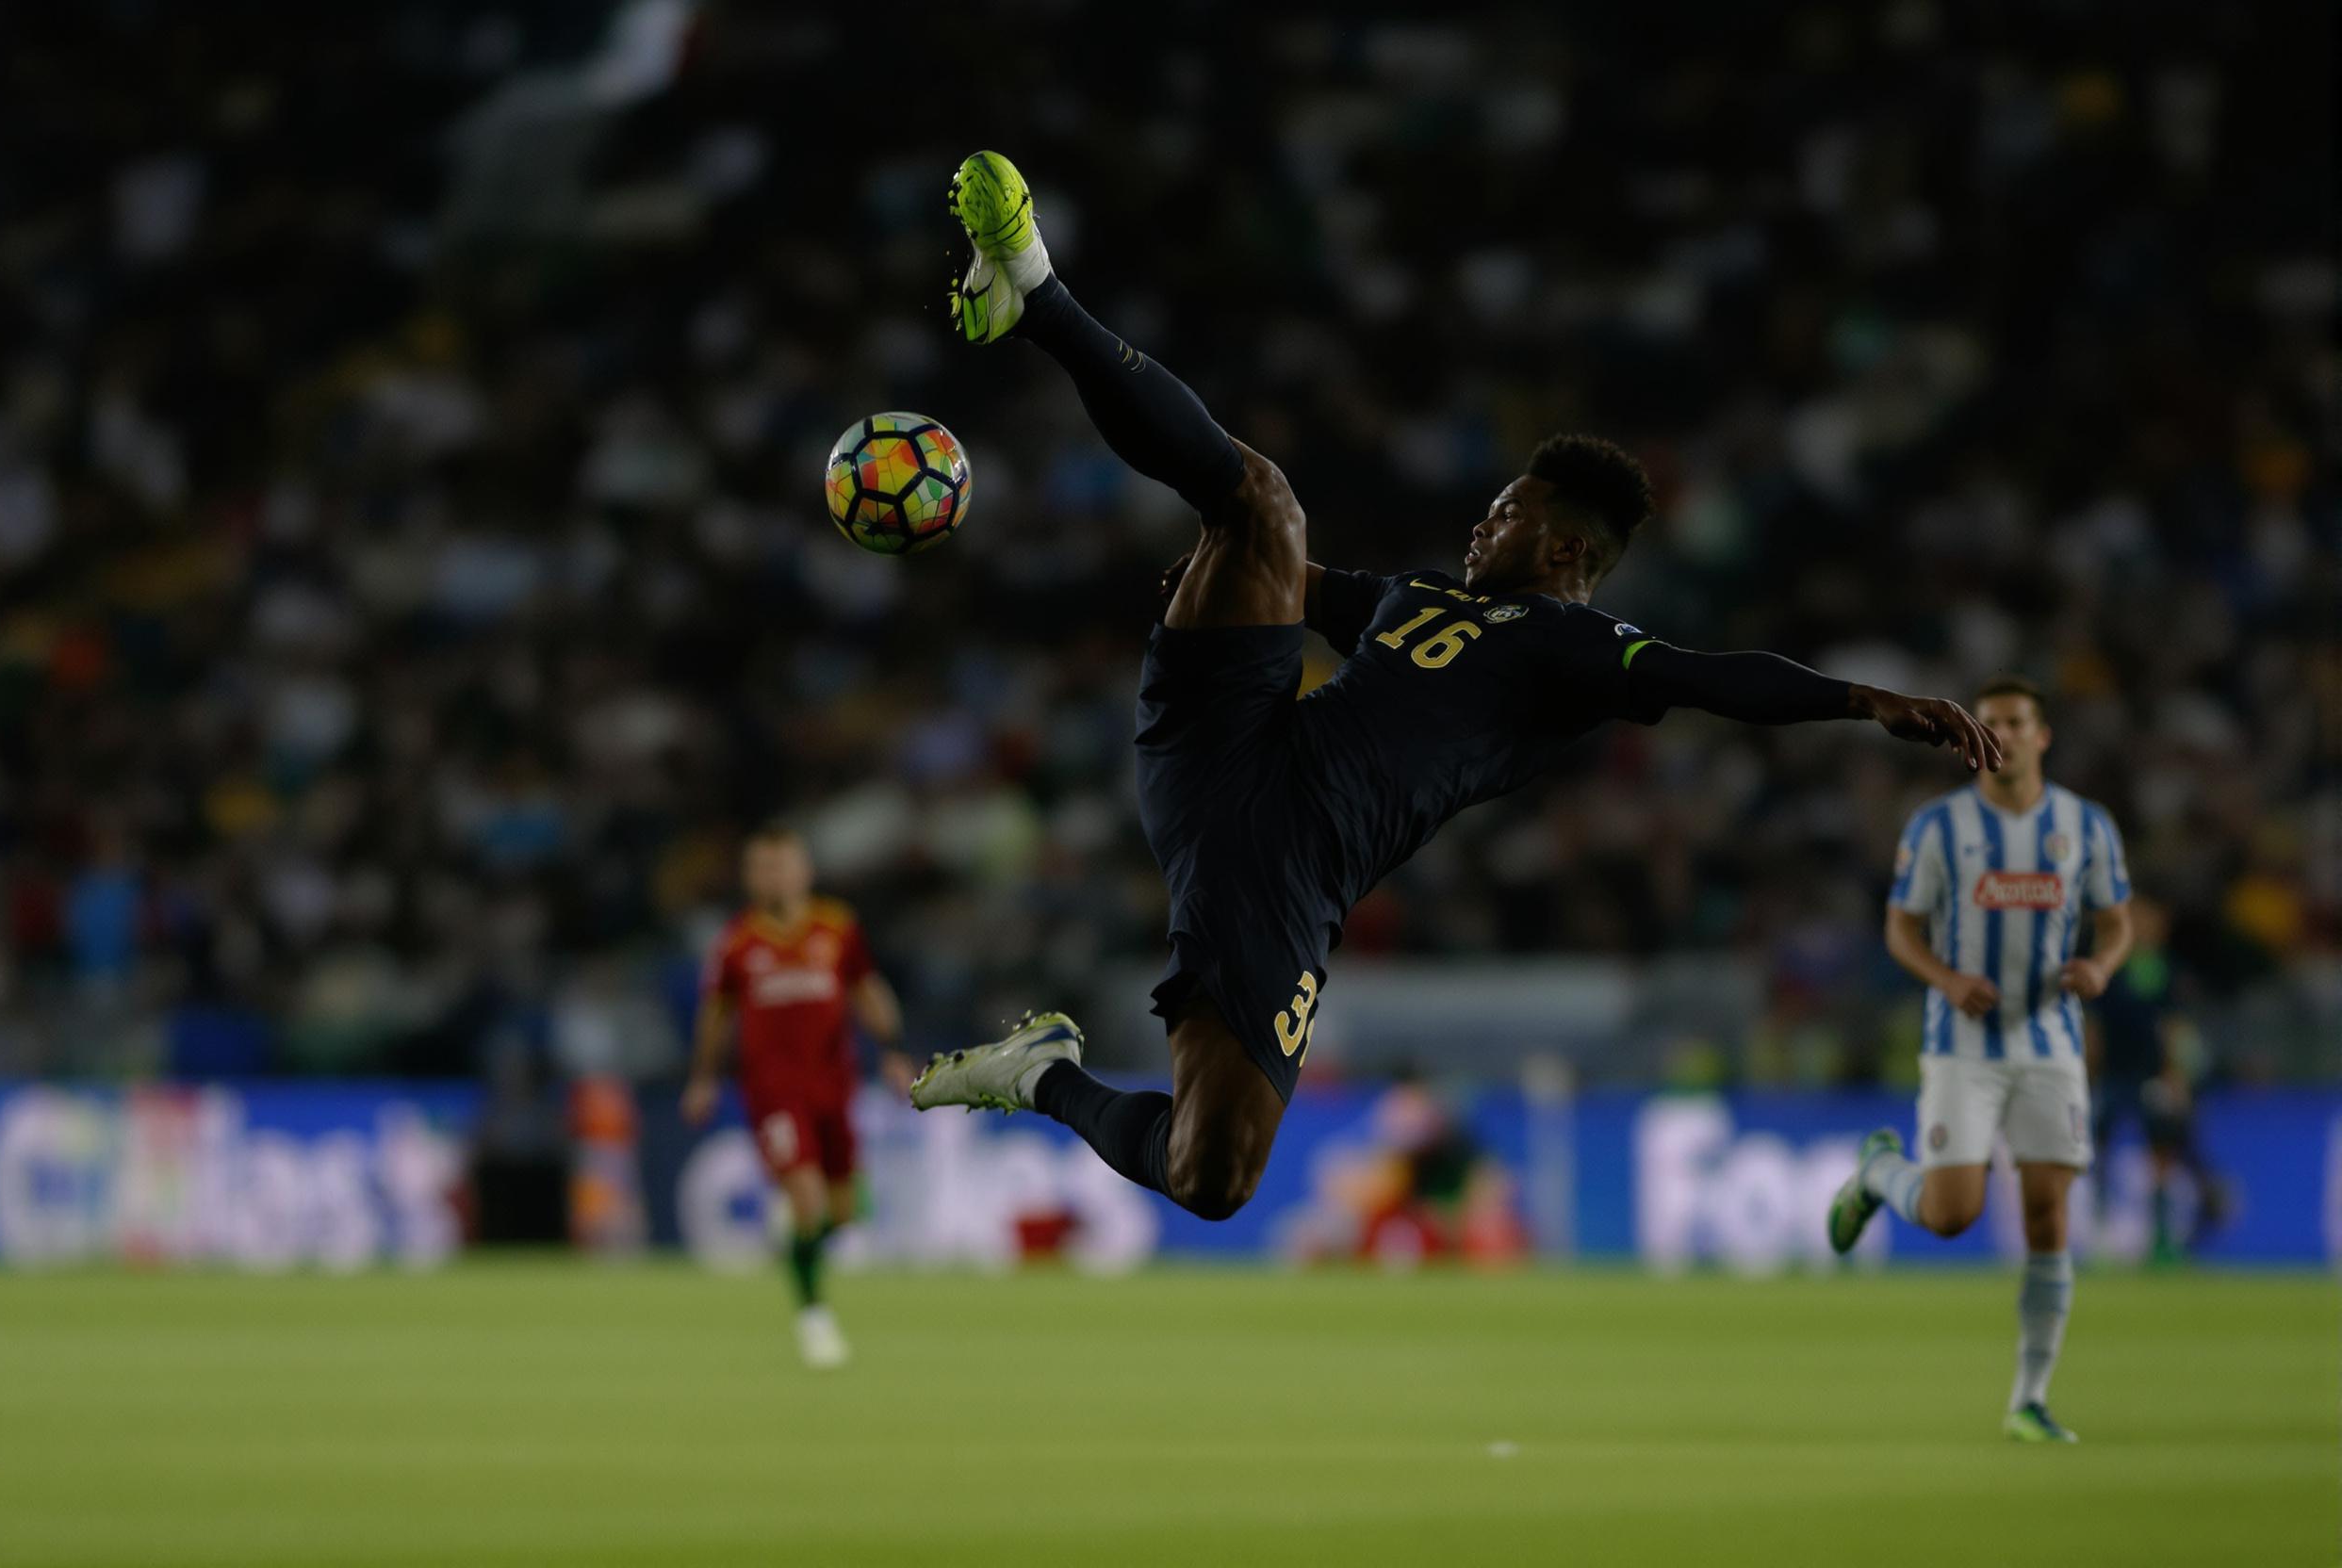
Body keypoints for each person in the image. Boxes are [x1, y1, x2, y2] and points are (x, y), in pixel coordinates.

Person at [909, 150, 2001, 1231]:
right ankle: (1039, 292)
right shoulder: (1418, 596)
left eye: (1507, 511)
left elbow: (1711, 677)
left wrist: (1861, 699)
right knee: (1260, 507)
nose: (1482, 521)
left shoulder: (1567, 644)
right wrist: (1210, 583)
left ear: (1567, 545)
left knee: (1214, 1173)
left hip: (1291, 868)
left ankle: (1037, 1075)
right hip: (1226, 740)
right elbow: (1294, 575)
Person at [1827, 676, 2134, 1442]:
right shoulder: (1938, 827)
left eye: (2016, 723)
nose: (2003, 735)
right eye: (1989, 724)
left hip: (2051, 1044)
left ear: (2041, 735)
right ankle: (1877, 1174)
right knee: (1953, 1214)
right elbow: (1900, 929)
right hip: (1961, 1046)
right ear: (1974, 738)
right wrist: (1947, 978)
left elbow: (2118, 922)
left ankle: (2029, 1398)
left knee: (2046, 1214)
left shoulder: (2085, 826)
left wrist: (2101, 967)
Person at [683, 824, 913, 1368]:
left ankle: (796, 1248)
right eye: (763, 867)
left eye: (783, 865)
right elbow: (716, 1014)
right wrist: (704, 1077)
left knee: (845, 1211)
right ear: (749, 877)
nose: (774, 876)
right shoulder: (737, 942)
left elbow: (867, 990)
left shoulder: (837, 928)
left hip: (834, 1084)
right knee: (807, 1199)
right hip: (772, 1091)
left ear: (804, 870)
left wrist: (893, 1050)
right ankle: (814, 1316)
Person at [2089, 894, 2222, 1262]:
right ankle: (2102, 1235)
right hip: (2113, 1075)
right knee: (2099, 1149)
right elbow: (2094, 1028)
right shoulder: (2108, 968)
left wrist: (2175, 1074)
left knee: (2161, 1153)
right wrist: (2088, 1074)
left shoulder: (2167, 970)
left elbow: (2174, 1026)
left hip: (2152, 1074)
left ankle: (2161, 1238)